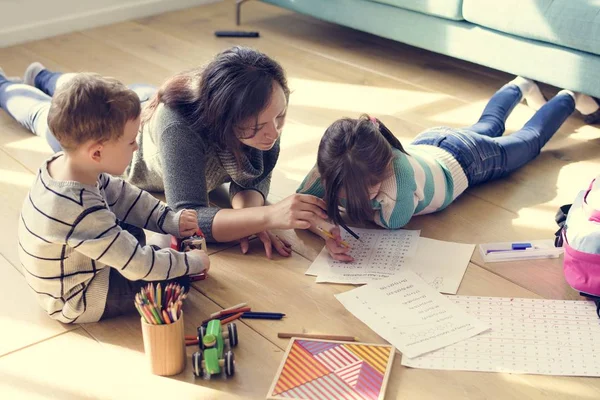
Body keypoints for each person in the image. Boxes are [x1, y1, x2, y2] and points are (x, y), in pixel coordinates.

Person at [0, 47, 327, 259]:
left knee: (92, 89)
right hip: (124, 137)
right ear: (221, 119)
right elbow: (185, 217)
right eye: (256, 127)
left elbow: (251, 178)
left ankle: (44, 76)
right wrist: (266, 216)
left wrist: (252, 220)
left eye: (280, 117)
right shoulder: (181, 129)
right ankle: (11, 83)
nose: (272, 133)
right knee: (46, 112)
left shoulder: (265, 116)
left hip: (143, 102)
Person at [297, 77, 598, 262]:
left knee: (528, 142)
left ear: (386, 165)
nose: (357, 196)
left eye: (369, 188)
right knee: (488, 125)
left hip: (468, 161)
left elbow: (392, 222)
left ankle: (568, 96)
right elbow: (300, 206)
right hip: (433, 142)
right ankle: (519, 85)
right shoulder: (335, 163)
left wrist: (337, 211)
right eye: (344, 188)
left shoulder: (399, 176)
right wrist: (325, 232)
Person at [10, 72, 210, 323]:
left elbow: (122, 195)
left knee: (130, 223)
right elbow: (137, 265)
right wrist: (190, 262)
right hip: (77, 297)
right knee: (176, 281)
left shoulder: (67, 167)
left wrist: (168, 219)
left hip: (75, 265)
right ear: (96, 153)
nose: (136, 147)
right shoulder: (79, 208)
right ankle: (158, 261)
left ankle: (148, 256)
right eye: (130, 142)